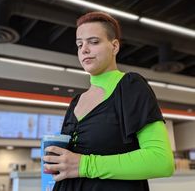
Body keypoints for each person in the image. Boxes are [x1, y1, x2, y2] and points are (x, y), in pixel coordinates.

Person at [43, 11, 175, 191]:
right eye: (79, 44)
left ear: (114, 47)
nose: (84, 49)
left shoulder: (130, 86)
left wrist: (85, 165)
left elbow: (161, 161)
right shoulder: (76, 101)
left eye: (94, 42)